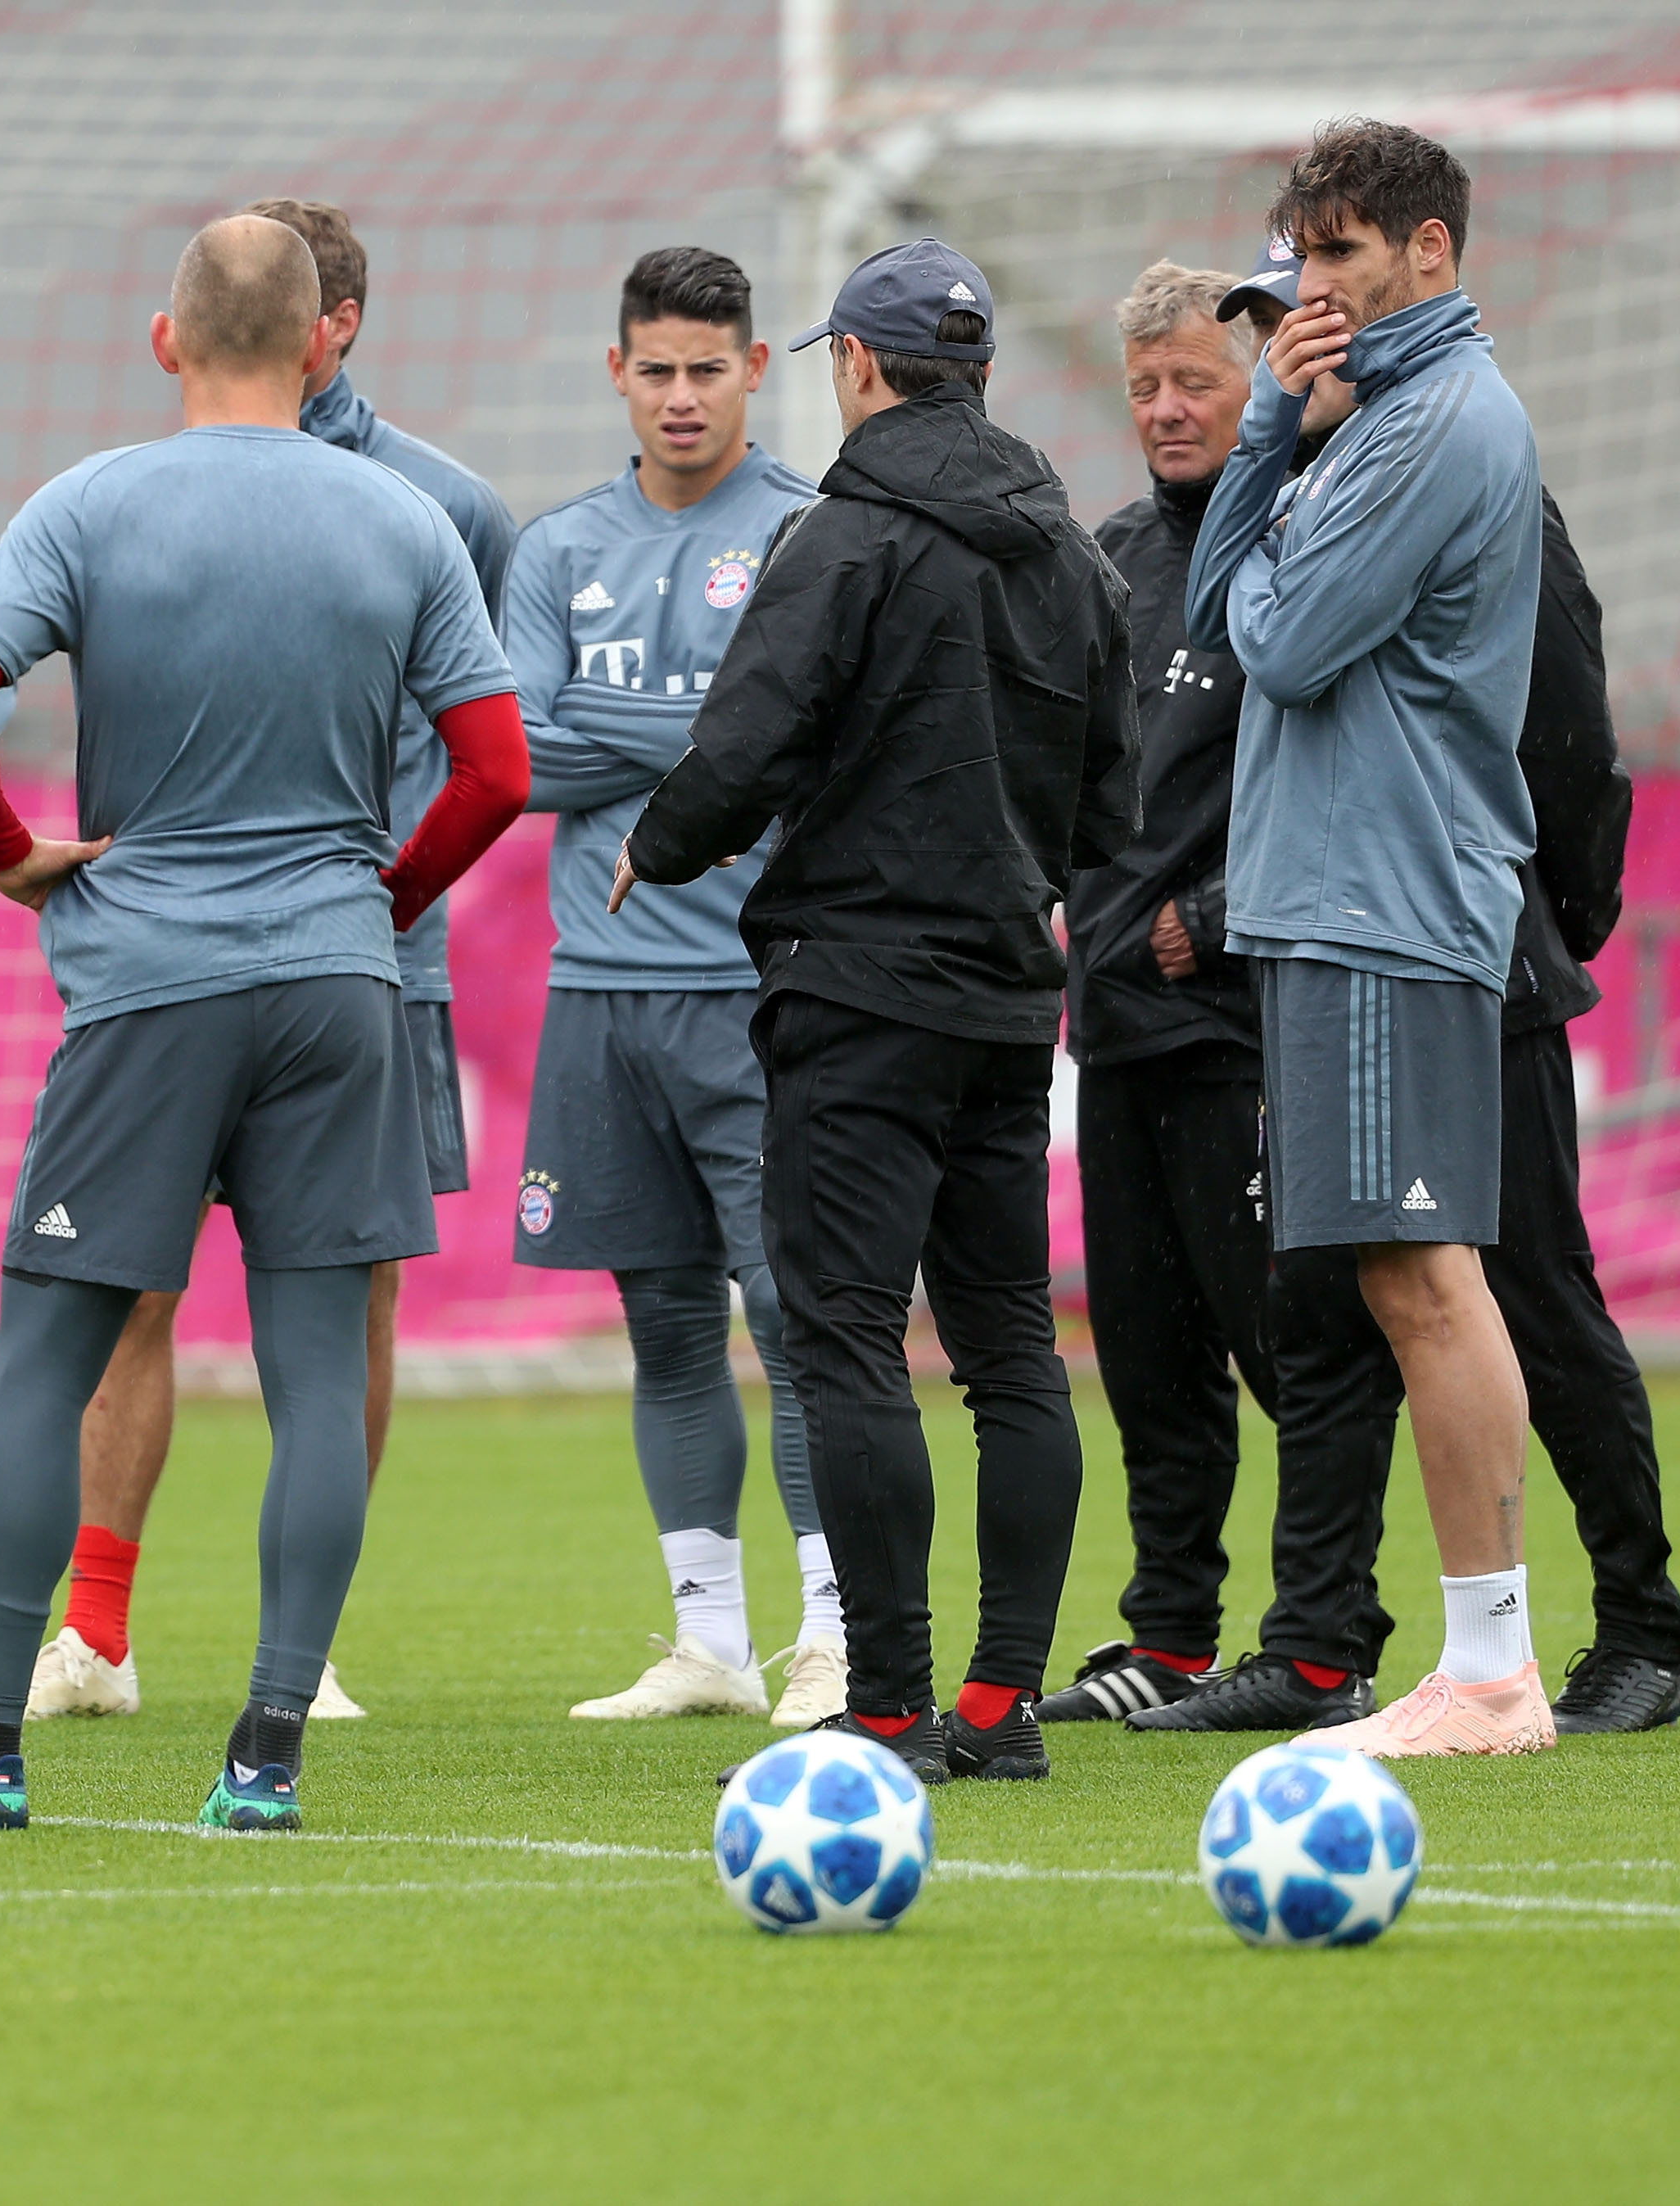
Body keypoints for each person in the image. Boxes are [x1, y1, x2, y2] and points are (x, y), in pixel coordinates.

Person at [0, 213, 526, 1833]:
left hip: (148, 989)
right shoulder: (404, 518)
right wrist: (382, 899)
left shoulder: (89, 502)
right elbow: (497, 773)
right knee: (313, 1378)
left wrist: (10, 856)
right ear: (317, 343)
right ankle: (264, 1760)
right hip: (332, 984)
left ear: (168, 341)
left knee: (45, 1363)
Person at [1126, 242, 1680, 1738]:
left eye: (1292, 323)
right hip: (1324, 945)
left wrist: (1549, 920)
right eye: (1262, 333)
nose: (1285, 353)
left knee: (1531, 1290)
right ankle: (1324, 1639)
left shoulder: (1462, 480)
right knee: (1329, 1302)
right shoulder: (1276, 502)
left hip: (1464, 946)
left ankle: (1638, 1622)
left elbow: (1567, 735)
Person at [622, 237, 1131, 1786]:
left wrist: (665, 840)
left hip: (852, 991)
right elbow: (1114, 801)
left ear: (855, 364)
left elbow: (751, 735)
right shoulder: (1071, 553)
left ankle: (893, 1704)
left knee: (845, 1342)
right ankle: (1002, 1704)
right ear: (976, 372)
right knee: (1010, 1353)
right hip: (1003, 994)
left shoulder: (844, 536)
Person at [30, 195, 514, 1727]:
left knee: (344, 1308)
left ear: (333, 331)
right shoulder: (151, 492)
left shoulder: (446, 505)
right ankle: (96, 1628)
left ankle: (310, 1649)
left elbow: (491, 741)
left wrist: (400, 900)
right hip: (258, 954)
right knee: (139, 1292)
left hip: (359, 964)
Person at [1183, 120, 1556, 1760]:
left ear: (1425, 250)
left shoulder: (1431, 424)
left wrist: (1273, 453)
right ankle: (1484, 1664)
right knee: (1402, 1277)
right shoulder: (1360, 419)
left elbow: (1280, 637)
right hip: (1338, 896)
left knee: (1423, 1279)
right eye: (1299, 255)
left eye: (1338, 254)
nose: (1308, 289)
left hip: (1384, 899)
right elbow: (1216, 617)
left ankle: (1489, 1670)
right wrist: (1270, 438)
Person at [497, 247, 842, 1726]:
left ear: (756, 373)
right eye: (659, 369)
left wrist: (617, 722)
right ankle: (710, 1638)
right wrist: (706, 731)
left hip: (753, 990)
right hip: (602, 988)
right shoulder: (556, 546)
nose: (684, 395)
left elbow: (807, 751)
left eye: (711, 368)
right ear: (619, 375)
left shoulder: (810, 538)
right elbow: (515, 758)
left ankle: (832, 1631)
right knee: (662, 1322)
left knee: (801, 1312)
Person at [1035, 257, 1375, 1729]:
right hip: (1114, 1026)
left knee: (1296, 1349)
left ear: (1263, 392)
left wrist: (1218, 920)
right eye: (1148, 390)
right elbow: (1076, 787)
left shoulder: (1312, 536)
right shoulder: (1106, 560)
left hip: (1249, 1021)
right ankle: (1169, 1635)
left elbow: (1368, 768)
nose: (1170, 411)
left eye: (1198, 385)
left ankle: (1324, 1637)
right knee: (1153, 1360)